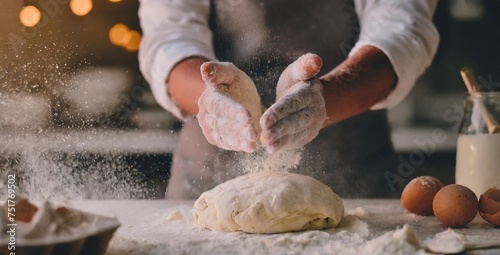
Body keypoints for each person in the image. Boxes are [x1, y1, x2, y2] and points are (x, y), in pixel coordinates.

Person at [138, 0, 439, 199]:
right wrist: (211, 95)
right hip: (209, 174)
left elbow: (401, 29)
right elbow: (169, 38)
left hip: (353, 182)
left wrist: (325, 97)